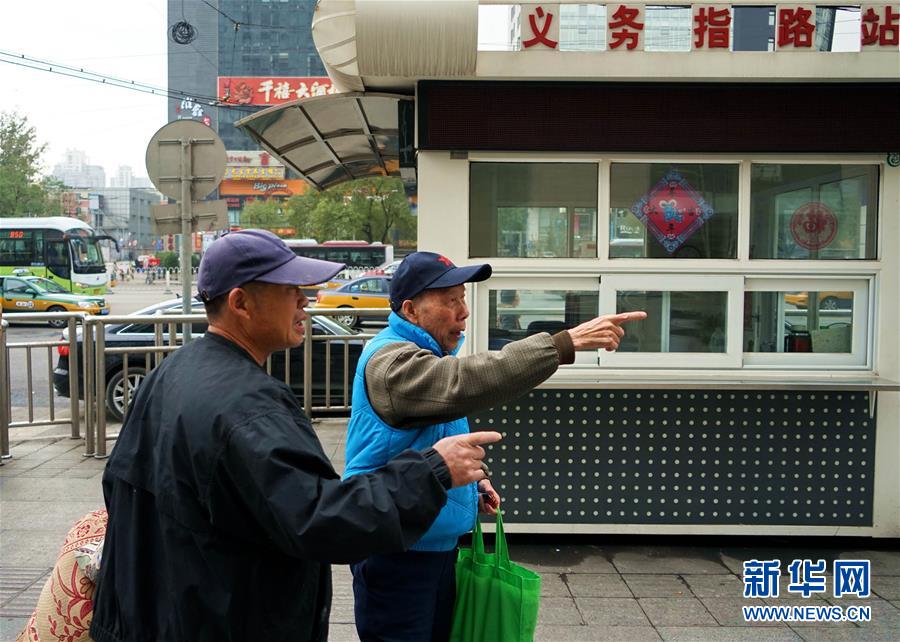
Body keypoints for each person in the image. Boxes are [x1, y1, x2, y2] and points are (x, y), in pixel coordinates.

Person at [89, 231, 501, 642]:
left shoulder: (173, 371)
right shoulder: (249, 405)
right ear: (241, 303)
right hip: (221, 620)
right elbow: (320, 522)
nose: (307, 301)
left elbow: (121, 488)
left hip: (163, 613)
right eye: (291, 290)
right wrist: (432, 471)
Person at [344, 251, 646, 642]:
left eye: (463, 298)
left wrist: (474, 484)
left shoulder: (428, 355)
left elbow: (434, 438)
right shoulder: (391, 362)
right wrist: (562, 343)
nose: (463, 311)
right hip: (396, 555)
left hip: (432, 548)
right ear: (411, 310)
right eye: (450, 300)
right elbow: (463, 381)